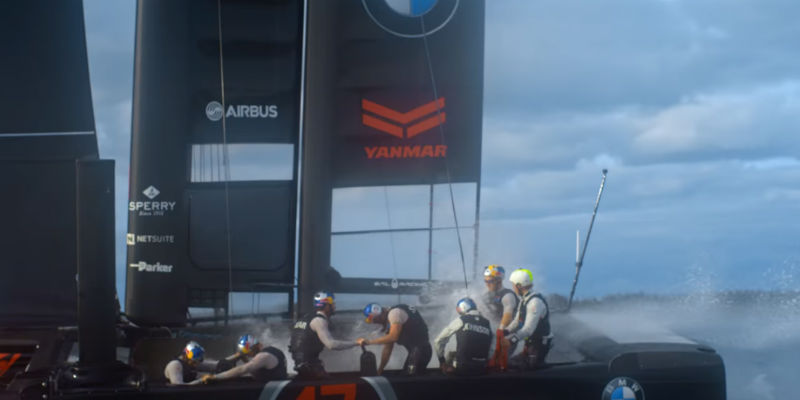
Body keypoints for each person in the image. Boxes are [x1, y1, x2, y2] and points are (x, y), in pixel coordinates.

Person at [289, 291, 358, 379]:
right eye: (332, 304)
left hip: (300, 365)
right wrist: (356, 343)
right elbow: (331, 345)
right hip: (310, 369)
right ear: (326, 306)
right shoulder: (319, 321)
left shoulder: (305, 318)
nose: (335, 306)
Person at [357, 303, 431, 375]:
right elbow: (387, 349)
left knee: (409, 378)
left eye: (375, 320)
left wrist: (369, 342)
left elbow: (393, 337)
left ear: (380, 314)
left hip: (420, 352)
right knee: (407, 375)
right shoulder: (390, 322)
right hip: (415, 353)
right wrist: (380, 370)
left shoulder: (394, 314)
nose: (376, 323)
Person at [501, 268, 552, 369]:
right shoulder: (524, 300)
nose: (513, 288)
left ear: (519, 286)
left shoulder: (535, 302)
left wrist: (511, 340)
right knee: (511, 363)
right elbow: (517, 321)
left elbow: (528, 329)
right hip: (530, 343)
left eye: (513, 285)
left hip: (539, 344)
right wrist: (505, 331)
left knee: (527, 370)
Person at [433, 297, 493, 376]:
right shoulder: (487, 323)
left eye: (458, 308)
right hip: (482, 368)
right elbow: (492, 348)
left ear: (463, 307)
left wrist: (442, 361)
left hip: (463, 367)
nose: (457, 310)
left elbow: (439, 340)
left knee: (450, 355)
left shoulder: (461, 320)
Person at [202, 334, 287, 383]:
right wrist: (243, 358)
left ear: (254, 347)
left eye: (247, 351)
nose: (248, 355)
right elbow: (255, 371)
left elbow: (242, 369)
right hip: (273, 383)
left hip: (273, 388)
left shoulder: (263, 356)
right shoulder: (272, 350)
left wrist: (216, 377)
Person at [482, 265, 518, 330]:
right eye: (485, 281)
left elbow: (508, 317)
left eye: (490, 281)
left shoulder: (508, 295)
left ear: (499, 280)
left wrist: (500, 331)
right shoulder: (486, 295)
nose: (487, 284)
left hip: (509, 331)